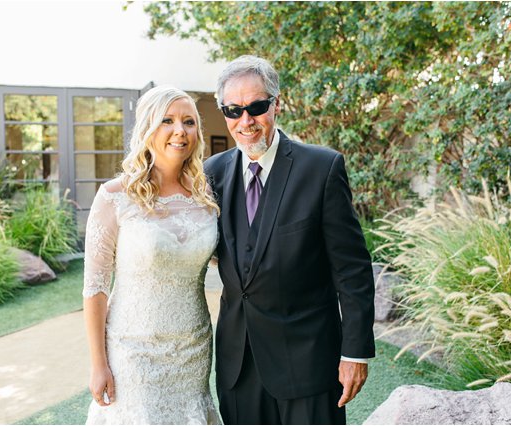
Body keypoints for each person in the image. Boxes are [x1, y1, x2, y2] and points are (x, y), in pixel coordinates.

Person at [205, 55, 375, 425]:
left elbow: (353, 270)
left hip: (309, 364)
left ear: (276, 105)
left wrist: (355, 353)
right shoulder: (212, 174)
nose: (245, 121)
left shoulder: (322, 168)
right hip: (238, 369)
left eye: (257, 107)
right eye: (233, 111)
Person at [81, 87, 222, 424]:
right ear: (148, 127)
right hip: (133, 351)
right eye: (167, 121)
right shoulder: (115, 197)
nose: (180, 131)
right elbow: (95, 286)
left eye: (189, 122)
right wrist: (98, 363)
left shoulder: (206, 198)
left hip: (193, 349)